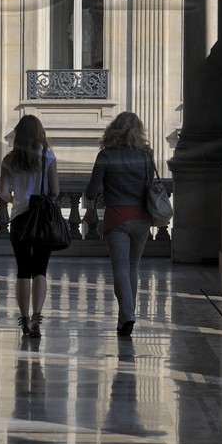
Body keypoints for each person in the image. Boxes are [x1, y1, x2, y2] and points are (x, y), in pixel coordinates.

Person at [82, 111, 153, 338]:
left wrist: (91, 209)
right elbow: (150, 184)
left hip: (117, 218)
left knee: (120, 269)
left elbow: (92, 190)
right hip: (142, 217)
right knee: (133, 267)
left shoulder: (106, 155)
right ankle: (126, 316)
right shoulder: (146, 155)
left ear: (114, 129)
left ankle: (127, 315)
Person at [0, 114, 59, 340]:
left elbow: (3, 192)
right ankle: (36, 317)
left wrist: (17, 201)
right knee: (40, 270)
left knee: (23, 270)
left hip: (19, 219)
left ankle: (23, 319)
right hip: (42, 218)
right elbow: (55, 191)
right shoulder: (48, 156)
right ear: (39, 133)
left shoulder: (9, 159)